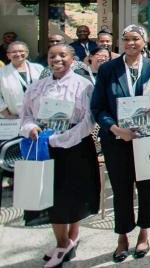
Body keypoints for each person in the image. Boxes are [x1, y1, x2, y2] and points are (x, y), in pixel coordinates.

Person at [90, 25, 150, 261]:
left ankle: (144, 232)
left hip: (147, 138)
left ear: (144, 41)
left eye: (136, 39)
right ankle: (122, 236)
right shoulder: (109, 69)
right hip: (117, 139)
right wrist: (115, 129)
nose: (131, 43)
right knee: (121, 188)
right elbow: (98, 107)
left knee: (146, 186)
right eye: (126, 39)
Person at [20, 44, 99, 268]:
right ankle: (61, 243)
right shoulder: (38, 87)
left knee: (73, 196)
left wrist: (62, 139)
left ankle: (72, 238)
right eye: (52, 55)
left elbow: (89, 120)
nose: (57, 59)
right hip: (44, 147)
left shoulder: (83, 85)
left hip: (74, 148)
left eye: (63, 55)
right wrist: (31, 129)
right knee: (51, 198)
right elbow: (25, 115)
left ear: (72, 59)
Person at [0, 41, 43, 119]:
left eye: (21, 51)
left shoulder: (39, 68)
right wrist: (6, 114)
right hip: (14, 117)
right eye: (14, 52)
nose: (18, 54)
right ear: (8, 55)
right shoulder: (2, 73)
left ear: (27, 53)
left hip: (39, 115)